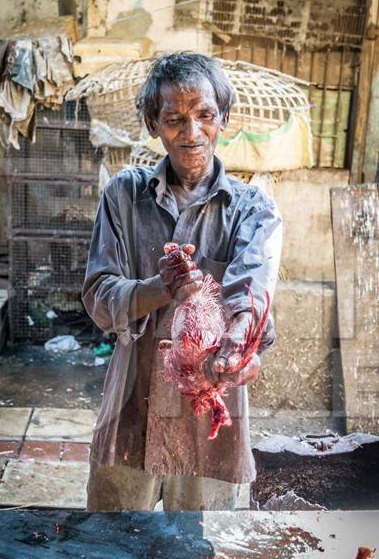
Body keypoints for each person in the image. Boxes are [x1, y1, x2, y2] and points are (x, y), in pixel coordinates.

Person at [82, 52, 282, 511]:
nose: (191, 134)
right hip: (132, 406)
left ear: (224, 118)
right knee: (111, 550)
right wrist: (159, 288)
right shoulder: (123, 196)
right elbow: (97, 296)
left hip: (210, 419)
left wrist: (240, 344)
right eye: (173, 119)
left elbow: (251, 293)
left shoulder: (253, 209)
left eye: (205, 116)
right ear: (153, 124)